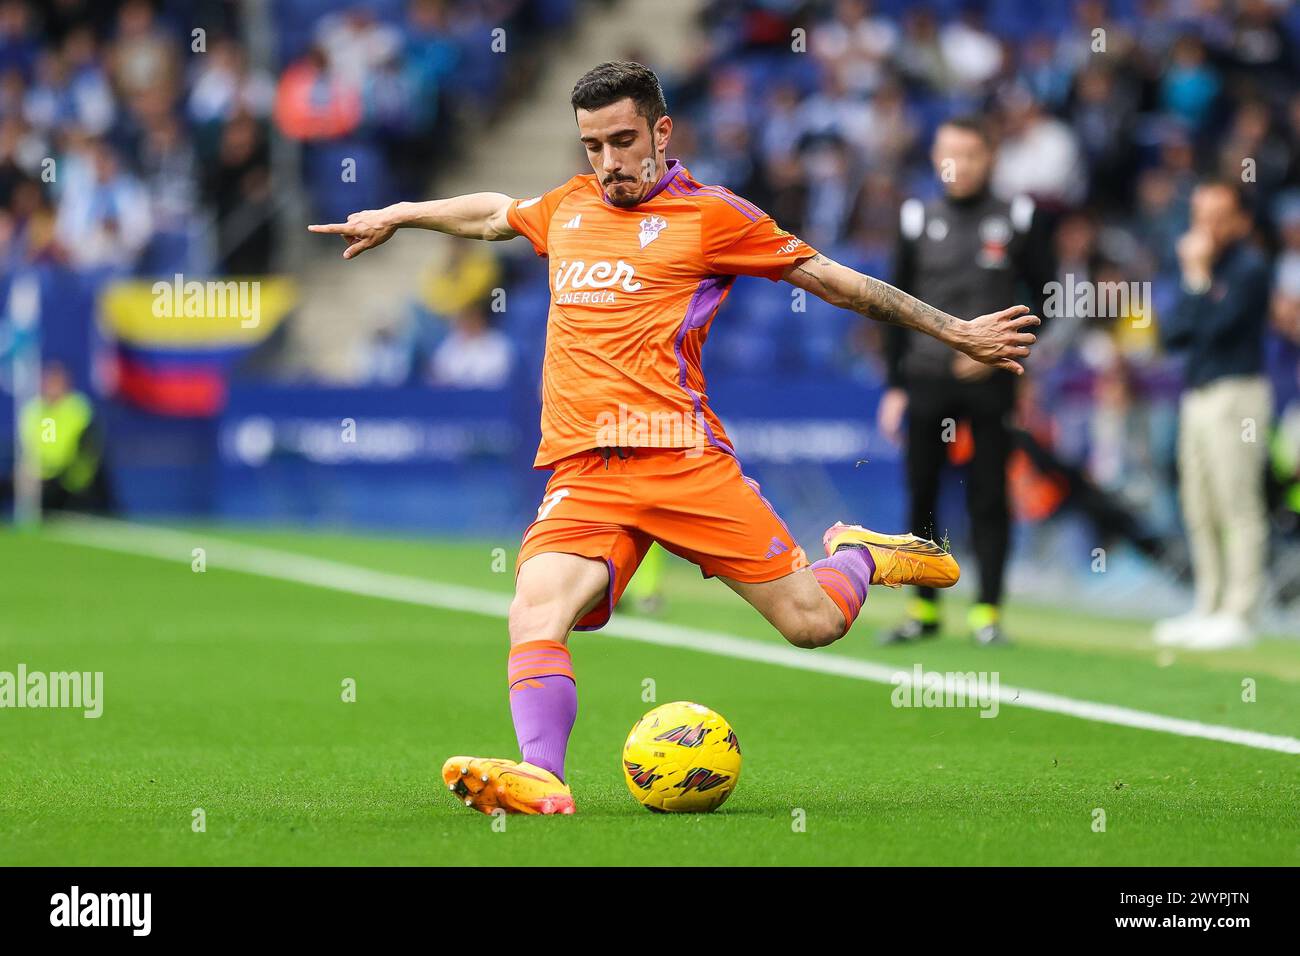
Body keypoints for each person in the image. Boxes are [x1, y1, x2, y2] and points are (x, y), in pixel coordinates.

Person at [309, 62, 1038, 815]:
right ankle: (544, 777)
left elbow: (832, 280)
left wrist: (955, 329)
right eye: (593, 145)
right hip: (586, 470)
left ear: (661, 132)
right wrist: (402, 212)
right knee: (533, 612)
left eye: (623, 141)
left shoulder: (713, 217)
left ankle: (859, 554)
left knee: (813, 625)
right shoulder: (568, 206)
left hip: (683, 460)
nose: (609, 162)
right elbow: (494, 212)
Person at [879, 116, 1054, 645]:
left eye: (971, 153)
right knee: (922, 493)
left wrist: (1005, 350)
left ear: (990, 159)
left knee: (989, 493)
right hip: (928, 377)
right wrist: (894, 385)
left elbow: (1049, 299)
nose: (959, 164)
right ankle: (923, 610)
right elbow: (891, 304)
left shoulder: (1018, 216)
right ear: (935, 158)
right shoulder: (915, 217)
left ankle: (988, 613)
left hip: (991, 379)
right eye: (948, 152)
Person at [1156, 180, 1273, 650]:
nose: (1207, 225)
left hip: (1237, 394)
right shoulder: (1196, 269)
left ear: (1240, 220)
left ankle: (1240, 611)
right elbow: (1175, 335)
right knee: (1198, 504)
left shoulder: (1250, 268)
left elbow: (1217, 329)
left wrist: (1198, 276)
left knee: (1237, 505)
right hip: (1198, 394)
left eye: (1219, 214)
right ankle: (1208, 604)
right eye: (1200, 213)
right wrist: (1196, 279)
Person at [18, 361, 113, 513]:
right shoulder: (35, 410)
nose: (53, 388)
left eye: (57, 383)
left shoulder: (78, 408)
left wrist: (72, 473)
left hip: (71, 476)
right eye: (50, 383)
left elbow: (87, 447)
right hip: (44, 477)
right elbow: (34, 447)